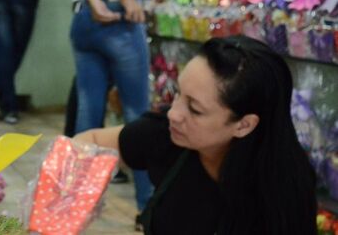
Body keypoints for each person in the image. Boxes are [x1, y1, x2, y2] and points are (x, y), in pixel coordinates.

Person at [73, 36, 317, 234]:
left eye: (195, 109)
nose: (174, 114)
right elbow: (88, 144)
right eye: (178, 93)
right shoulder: (165, 134)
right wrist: (62, 209)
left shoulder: (283, 191)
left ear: (244, 125)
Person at [56, 0, 153, 223]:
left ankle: (75, 207)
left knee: (87, 113)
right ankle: (148, 208)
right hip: (120, 12)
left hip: (86, 13)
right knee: (137, 113)